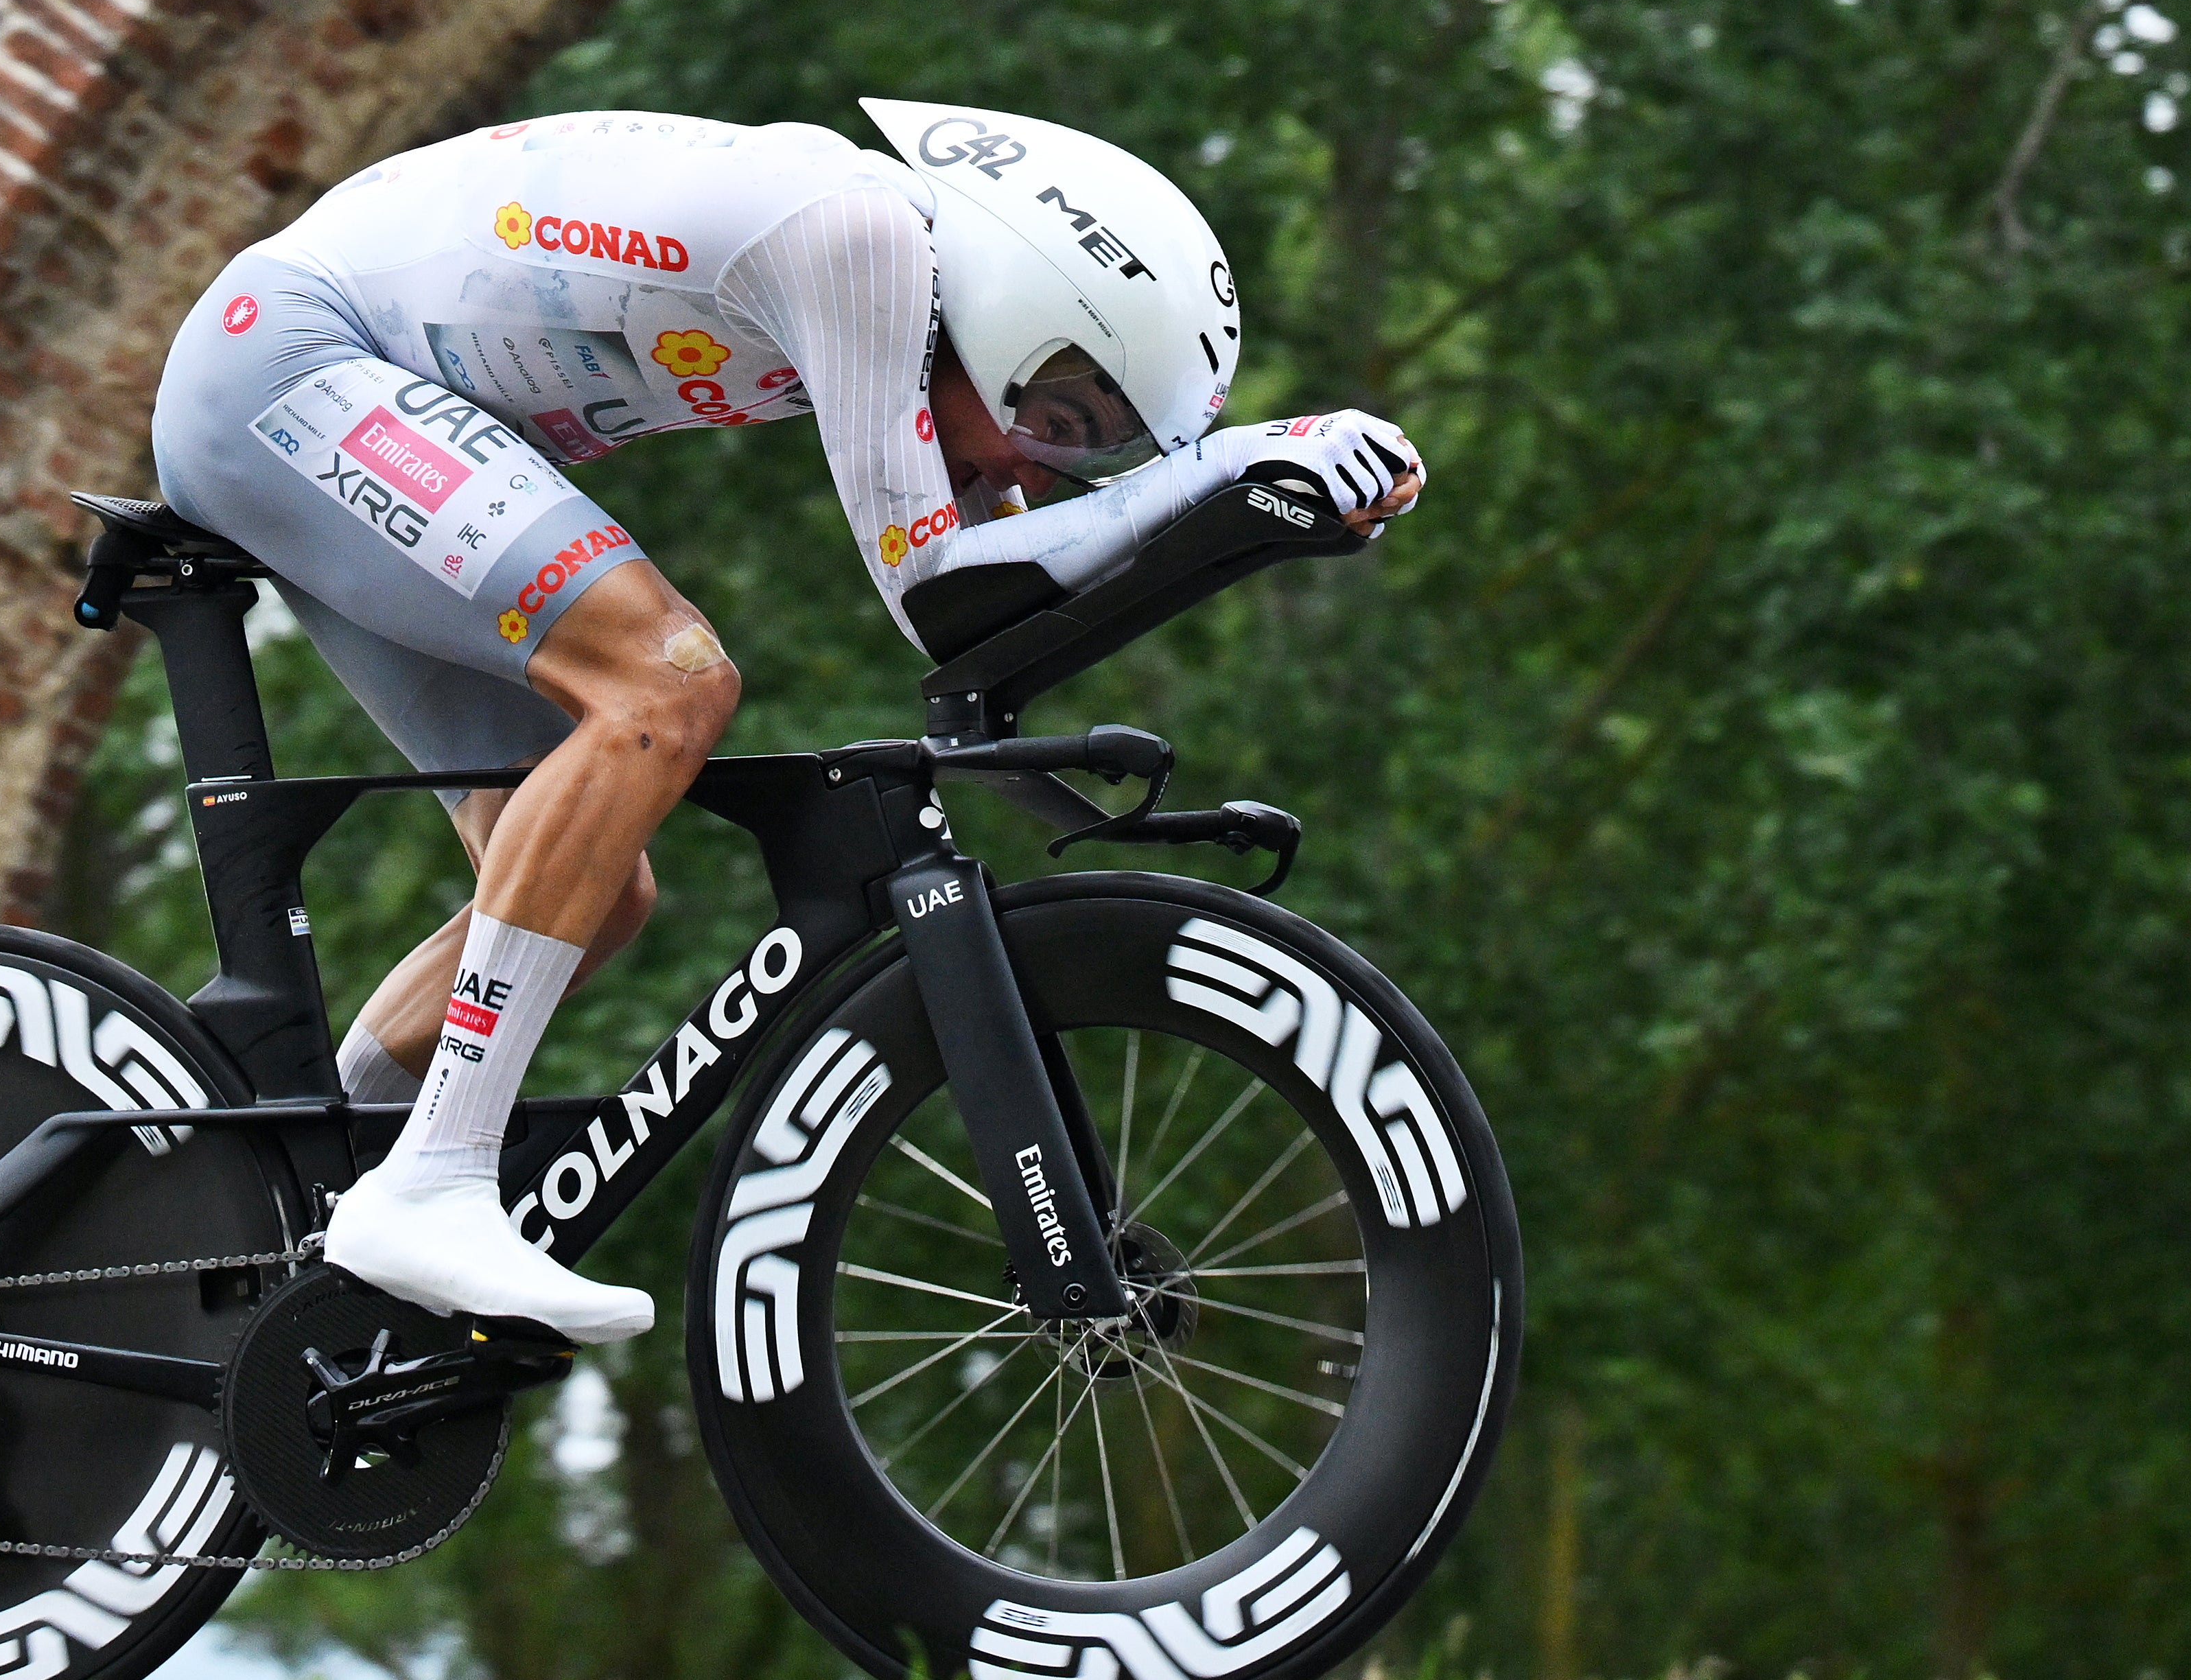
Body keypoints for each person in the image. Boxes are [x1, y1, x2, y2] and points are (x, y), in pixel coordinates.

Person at [145, 102, 1425, 1343]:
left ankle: (290, 1192)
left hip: (335, 394)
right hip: (292, 360)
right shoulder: (861, 238)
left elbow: (1004, 603)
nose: (1037, 475)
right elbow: (942, 596)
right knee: (668, 683)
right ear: (1010, 318)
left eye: (1088, 459)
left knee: (596, 888)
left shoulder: (884, 278)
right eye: (1060, 424)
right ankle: (431, 1182)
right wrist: (1218, 469)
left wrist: (1244, 523)